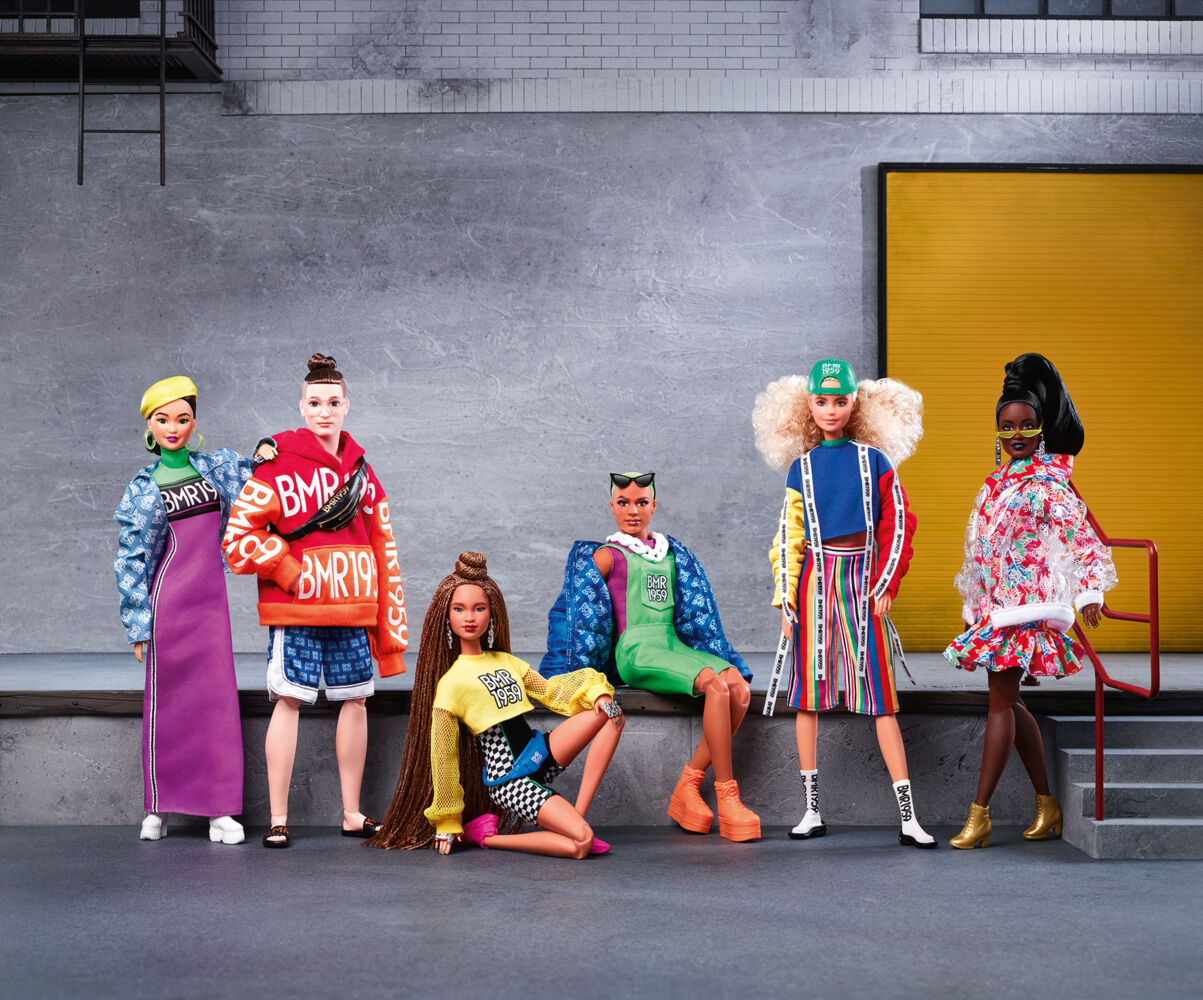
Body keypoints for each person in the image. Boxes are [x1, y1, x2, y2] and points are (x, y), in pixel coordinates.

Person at [223, 354, 408, 848]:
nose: (324, 412)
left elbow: (384, 546)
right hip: (297, 609)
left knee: (356, 700)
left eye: (332, 402)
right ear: (301, 407)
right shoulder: (276, 466)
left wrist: (388, 631)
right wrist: (288, 569)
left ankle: (352, 812)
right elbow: (237, 538)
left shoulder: (363, 471)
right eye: (315, 403)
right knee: (288, 700)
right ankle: (278, 817)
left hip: (353, 607)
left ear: (347, 405)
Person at [752, 359, 936, 848]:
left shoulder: (875, 461)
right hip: (816, 584)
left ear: (856, 404)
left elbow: (899, 523)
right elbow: (789, 536)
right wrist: (787, 601)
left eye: (840, 401)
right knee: (808, 695)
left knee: (881, 697)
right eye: (821, 401)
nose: (830, 410)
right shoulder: (802, 468)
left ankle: (908, 817)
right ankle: (810, 809)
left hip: (864, 581)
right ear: (806, 406)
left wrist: (887, 582)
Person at [945, 353, 1116, 849]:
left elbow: (1083, 539)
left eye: (1026, 425)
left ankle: (979, 816)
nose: (1016, 434)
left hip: (1028, 609)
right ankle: (1048, 805)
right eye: (1006, 426)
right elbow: (978, 549)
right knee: (1011, 702)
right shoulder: (995, 485)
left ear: (1041, 429)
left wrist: (1089, 592)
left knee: (999, 704)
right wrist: (975, 604)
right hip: (997, 609)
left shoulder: (1047, 484)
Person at [541, 473, 759, 842]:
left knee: (738, 688)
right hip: (637, 651)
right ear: (612, 507)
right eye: (623, 502)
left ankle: (688, 786)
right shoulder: (608, 556)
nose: (633, 510)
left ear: (653, 506)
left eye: (641, 502)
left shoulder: (670, 554)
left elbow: (692, 607)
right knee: (716, 686)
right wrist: (563, 668)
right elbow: (572, 610)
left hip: (672, 644)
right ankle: (727, 797)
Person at [368, 552, 624, 858]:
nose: (470, 617)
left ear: (492, 613)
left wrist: (597, 693)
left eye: (479, 608)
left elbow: (551, 691)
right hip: (510, 780)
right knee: (581, 844)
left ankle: (578, 818)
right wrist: (448, 821)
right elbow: (444, 757)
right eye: (459, 609)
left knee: (611, 714)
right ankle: (488, 838)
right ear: (446, 616)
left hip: (539, 753)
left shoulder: (506, 661)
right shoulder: (451, 684)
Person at [114, 376, 270, 845]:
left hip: (211, 606)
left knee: (217, 706)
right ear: (150, 426)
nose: (173, 428)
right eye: (163, 420)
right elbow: (132, 556)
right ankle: (158, 806)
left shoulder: (214, 468)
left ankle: (219, 809)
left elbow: (257, 478)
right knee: (166, 706)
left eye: (182, 419)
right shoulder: (145, 488)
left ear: (193, 422)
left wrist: (268, 450)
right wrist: (139, 623)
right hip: (169, 606)